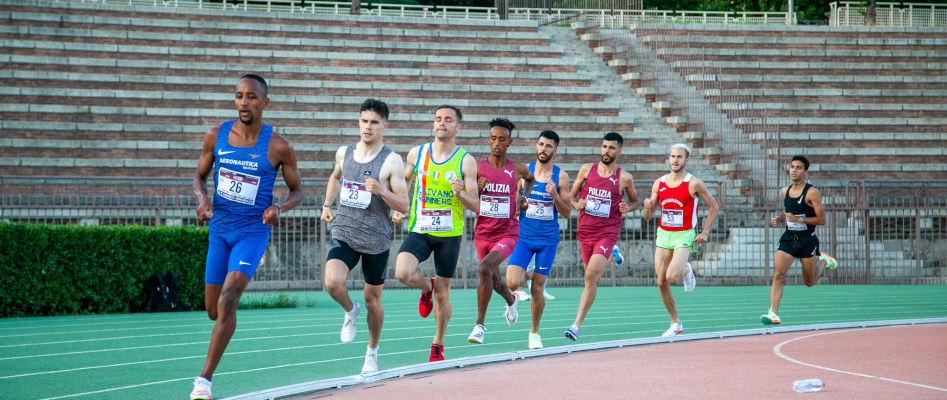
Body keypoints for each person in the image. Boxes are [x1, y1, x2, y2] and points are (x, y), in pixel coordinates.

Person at [190, 74, 303, 400]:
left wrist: (279, 208)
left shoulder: (279, 146)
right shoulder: (216, 136)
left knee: (229, 298)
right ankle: (225, 322)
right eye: (239, 96)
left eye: (251, 97)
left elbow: (298, 190)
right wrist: (202, 200)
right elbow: (198, 178)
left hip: (252, 232)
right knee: (214, 310)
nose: (243, 102)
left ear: (264, 103)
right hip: (219, 232)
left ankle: (204, 382)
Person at [320, 99, 409, 374]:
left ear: (385, 125)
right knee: (332, 282)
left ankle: (372, 351)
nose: (367, 127)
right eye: (363, 121)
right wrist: (326, 204)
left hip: (376, 239)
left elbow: (404, 204)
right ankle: (350, 311)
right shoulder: (344, 152)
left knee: (373, 301)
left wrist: (381, 192)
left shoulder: (392, 160)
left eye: (373, 122)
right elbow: (336, 177)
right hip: (345, 231)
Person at [392, 105, 479, 362]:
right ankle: (425, 286)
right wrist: (400, 206)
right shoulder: (417, 154)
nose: (442, 123)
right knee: (402, 273)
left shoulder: (466, 160)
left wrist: (460, 193)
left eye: (448, 120)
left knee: (444, 295)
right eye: (438, 119)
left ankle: (438, 343)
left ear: (457, 127)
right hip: (420, 229)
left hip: (449, 234)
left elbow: (476, 204)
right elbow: (404, 181)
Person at [564, 132, 638, 341]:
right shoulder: (587, 169)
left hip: (607, 233)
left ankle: (576, 325)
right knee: (594, 278)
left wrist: (627, 207)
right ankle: (613, 255)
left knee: (589, 277)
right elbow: (571, 195)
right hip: (586, 231)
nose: (606, 151)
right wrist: (575, 203)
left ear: (619, 151)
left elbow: (635, 202)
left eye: (611, 148)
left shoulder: (624, 178)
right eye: (604, 147)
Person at [467, 118, 535, 345]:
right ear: (489, 140)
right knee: (494, 281)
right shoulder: (477, 167)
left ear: (510, 142)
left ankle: (479, 326)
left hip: (507, 233)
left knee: (484, 268)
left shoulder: (517, 169)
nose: (497, 143)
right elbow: (468, 194)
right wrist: (476, 188)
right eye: (493, 139)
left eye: (502, 140)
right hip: (482, 233)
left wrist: (524, 198)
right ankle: (511, 300)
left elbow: (530, 179)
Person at [642, 144, 719, 337]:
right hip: (664, 234)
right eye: (672, 156)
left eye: (679, 157)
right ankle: (676, 323)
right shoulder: (659, 183)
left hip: (684, 235)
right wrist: (647, 206)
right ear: (668, 159)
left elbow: (714, 206)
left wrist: (706, 231)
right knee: (661, 282)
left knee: (672, 277)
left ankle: (686, 270)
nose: (675, 160)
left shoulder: (693, 183)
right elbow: (647, 216)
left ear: (687, 160)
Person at [505, 130, 571, 349]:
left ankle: (534, 333)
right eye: (541, 144)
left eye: (548, 146)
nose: (543, 149)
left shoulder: (560, 176)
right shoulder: (526, 172)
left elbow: (567, 213)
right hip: (524, 236)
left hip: (547, 239)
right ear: (536, 146)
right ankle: (513, 299)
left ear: (555, 150)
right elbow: (515, 204)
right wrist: (518, 208)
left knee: (537, 288)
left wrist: (555, 196)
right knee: (513, 282)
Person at [761, 155, 837, 325]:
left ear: (805, 171)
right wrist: (781, 219)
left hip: (806, 240)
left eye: (798, 168)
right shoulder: (784, 191)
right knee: (778, 275)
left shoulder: (811, 192)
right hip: (789, 238)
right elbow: (788, 212)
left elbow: (822, 220)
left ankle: (824, 260)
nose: (794, 170)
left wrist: (800, 220)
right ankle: (773, 313)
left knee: (809, 282)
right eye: (792, 166)